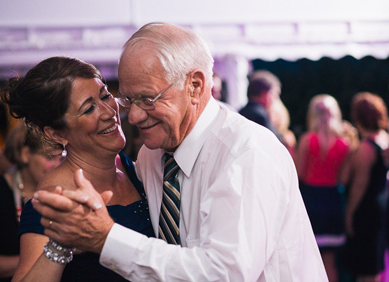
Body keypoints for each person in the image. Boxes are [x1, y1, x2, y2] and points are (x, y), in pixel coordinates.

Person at [32, 22, 326, 281]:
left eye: (147, 99)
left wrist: (108, 239)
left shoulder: (247, 153)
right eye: (127, 98)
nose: (132, 116)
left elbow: (224, 275)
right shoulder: (151, 155)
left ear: (195, 86)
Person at [0, 57, 153, 282]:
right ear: (57, 134)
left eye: (105, 95)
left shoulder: (132, 169)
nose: (109, 111)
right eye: (89, 108)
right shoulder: (56, 198)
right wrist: (61, 246)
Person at [0, 124, 63, 281]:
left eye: (61, 158)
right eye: (49, 158)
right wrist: (51, 257)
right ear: (25, 154)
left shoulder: (61, 191)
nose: (57, 165)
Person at [295, 94, 349, 281]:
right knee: (330, 261)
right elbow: (343, 178)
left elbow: (299, 173)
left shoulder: (307, 140)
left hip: (311, 199)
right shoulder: (345, 143)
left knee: (309, 259)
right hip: (333, 200)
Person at [338, 92, 389, 281]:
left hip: (367, 211)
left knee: (366, 270)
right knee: (376, 264)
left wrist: (349, 214)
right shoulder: (384, 139)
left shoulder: (365, 149)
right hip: (381, 205)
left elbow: (359, 185)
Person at [239, 70, 281, 137]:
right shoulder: (261, 116)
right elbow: (273, 142)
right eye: (273, 94)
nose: (274, 99)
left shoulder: (241, 111)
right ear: (264, 94)